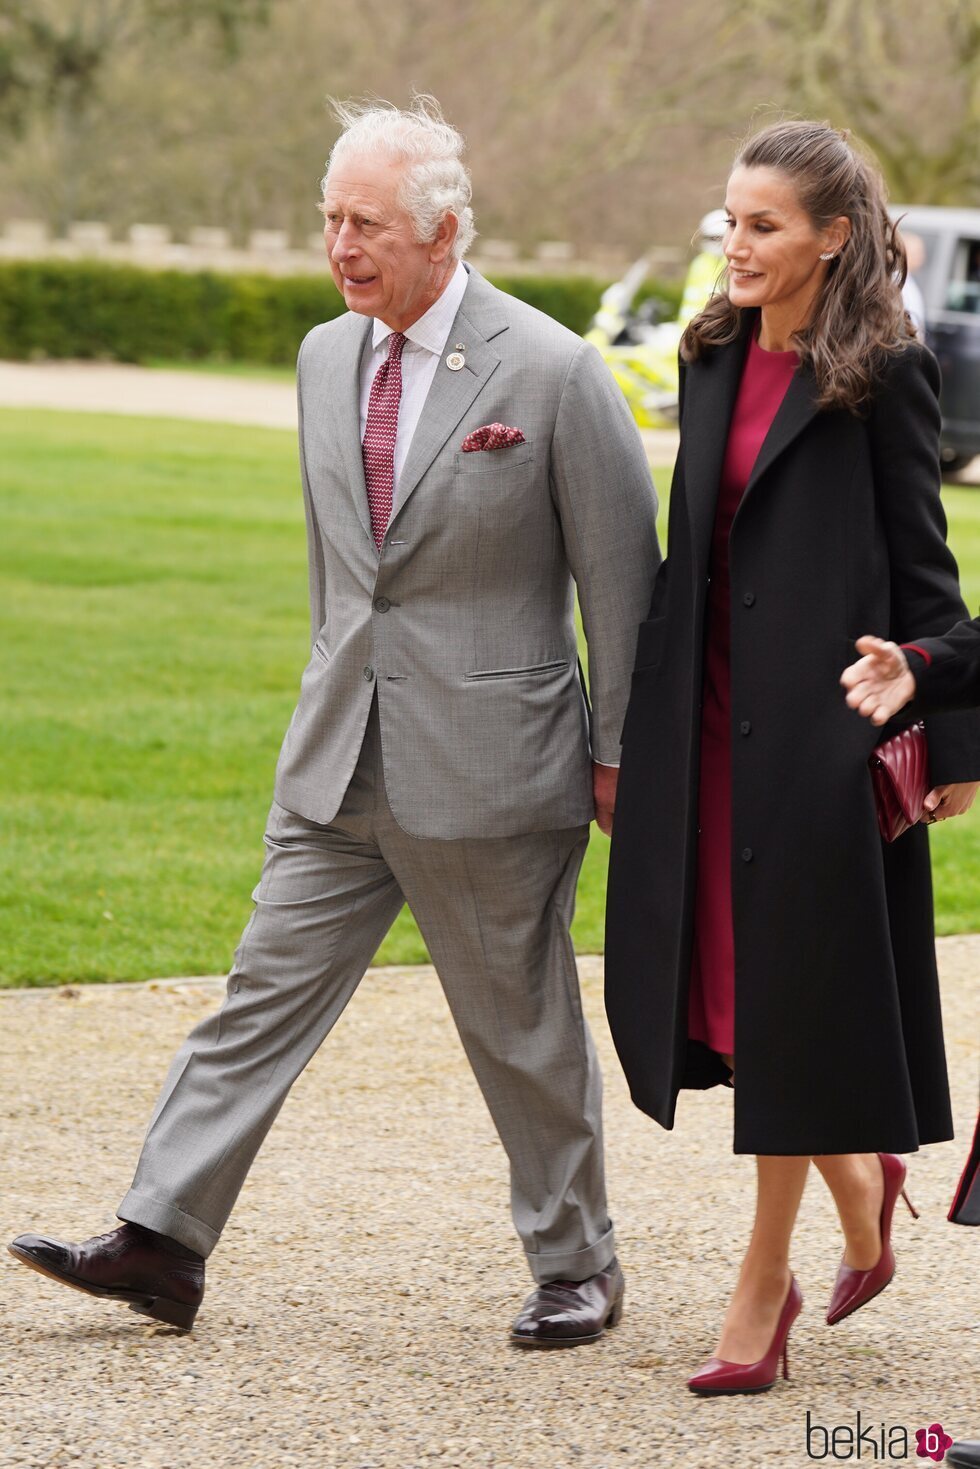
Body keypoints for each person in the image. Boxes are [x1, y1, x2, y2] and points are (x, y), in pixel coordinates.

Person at [9, 96, 661, 1346]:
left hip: (491, 770)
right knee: (254, 997)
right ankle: (162, 1237)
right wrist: (329, 690)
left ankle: (577, 1261)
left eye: (365, 223)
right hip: (336, 762)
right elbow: (340, 570)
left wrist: (618, 754)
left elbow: (622, 587)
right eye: (329, 219)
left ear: (444, 231)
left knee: (518, 1029)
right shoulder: (322, 356)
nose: (340, 244)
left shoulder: (552, 368)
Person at [604, 118, 980, 1395]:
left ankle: (756, 1290)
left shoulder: (884, 373)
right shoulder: (708, 350)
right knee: (726, 1001)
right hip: (698, 729)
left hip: (819, 737)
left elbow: (930, 580)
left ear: (830, 236)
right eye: (727, 220)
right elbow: (687, 552)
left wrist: (954, 739)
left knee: (776, 1007)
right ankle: (864, 1185)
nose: (735, 244)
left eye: (761, 225)